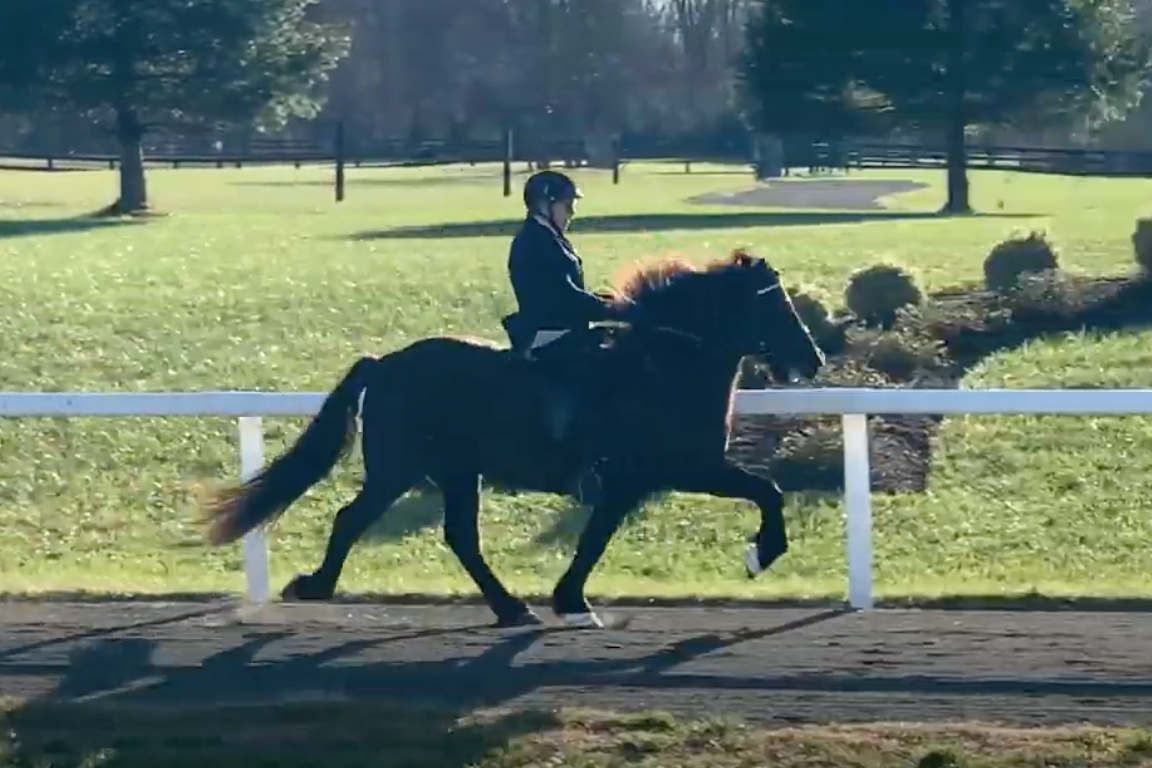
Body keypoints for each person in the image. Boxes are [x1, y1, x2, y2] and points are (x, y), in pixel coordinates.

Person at [505, 169, 623, 505]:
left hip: (568, 330)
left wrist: (607, 303)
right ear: (545, 203)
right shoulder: (531, 242)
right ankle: (579, 466)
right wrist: (612, 309)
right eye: (567, 204)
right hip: (547, 336)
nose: (572, 212)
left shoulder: (550, 238)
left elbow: (573, 294)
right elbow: (561, 296)